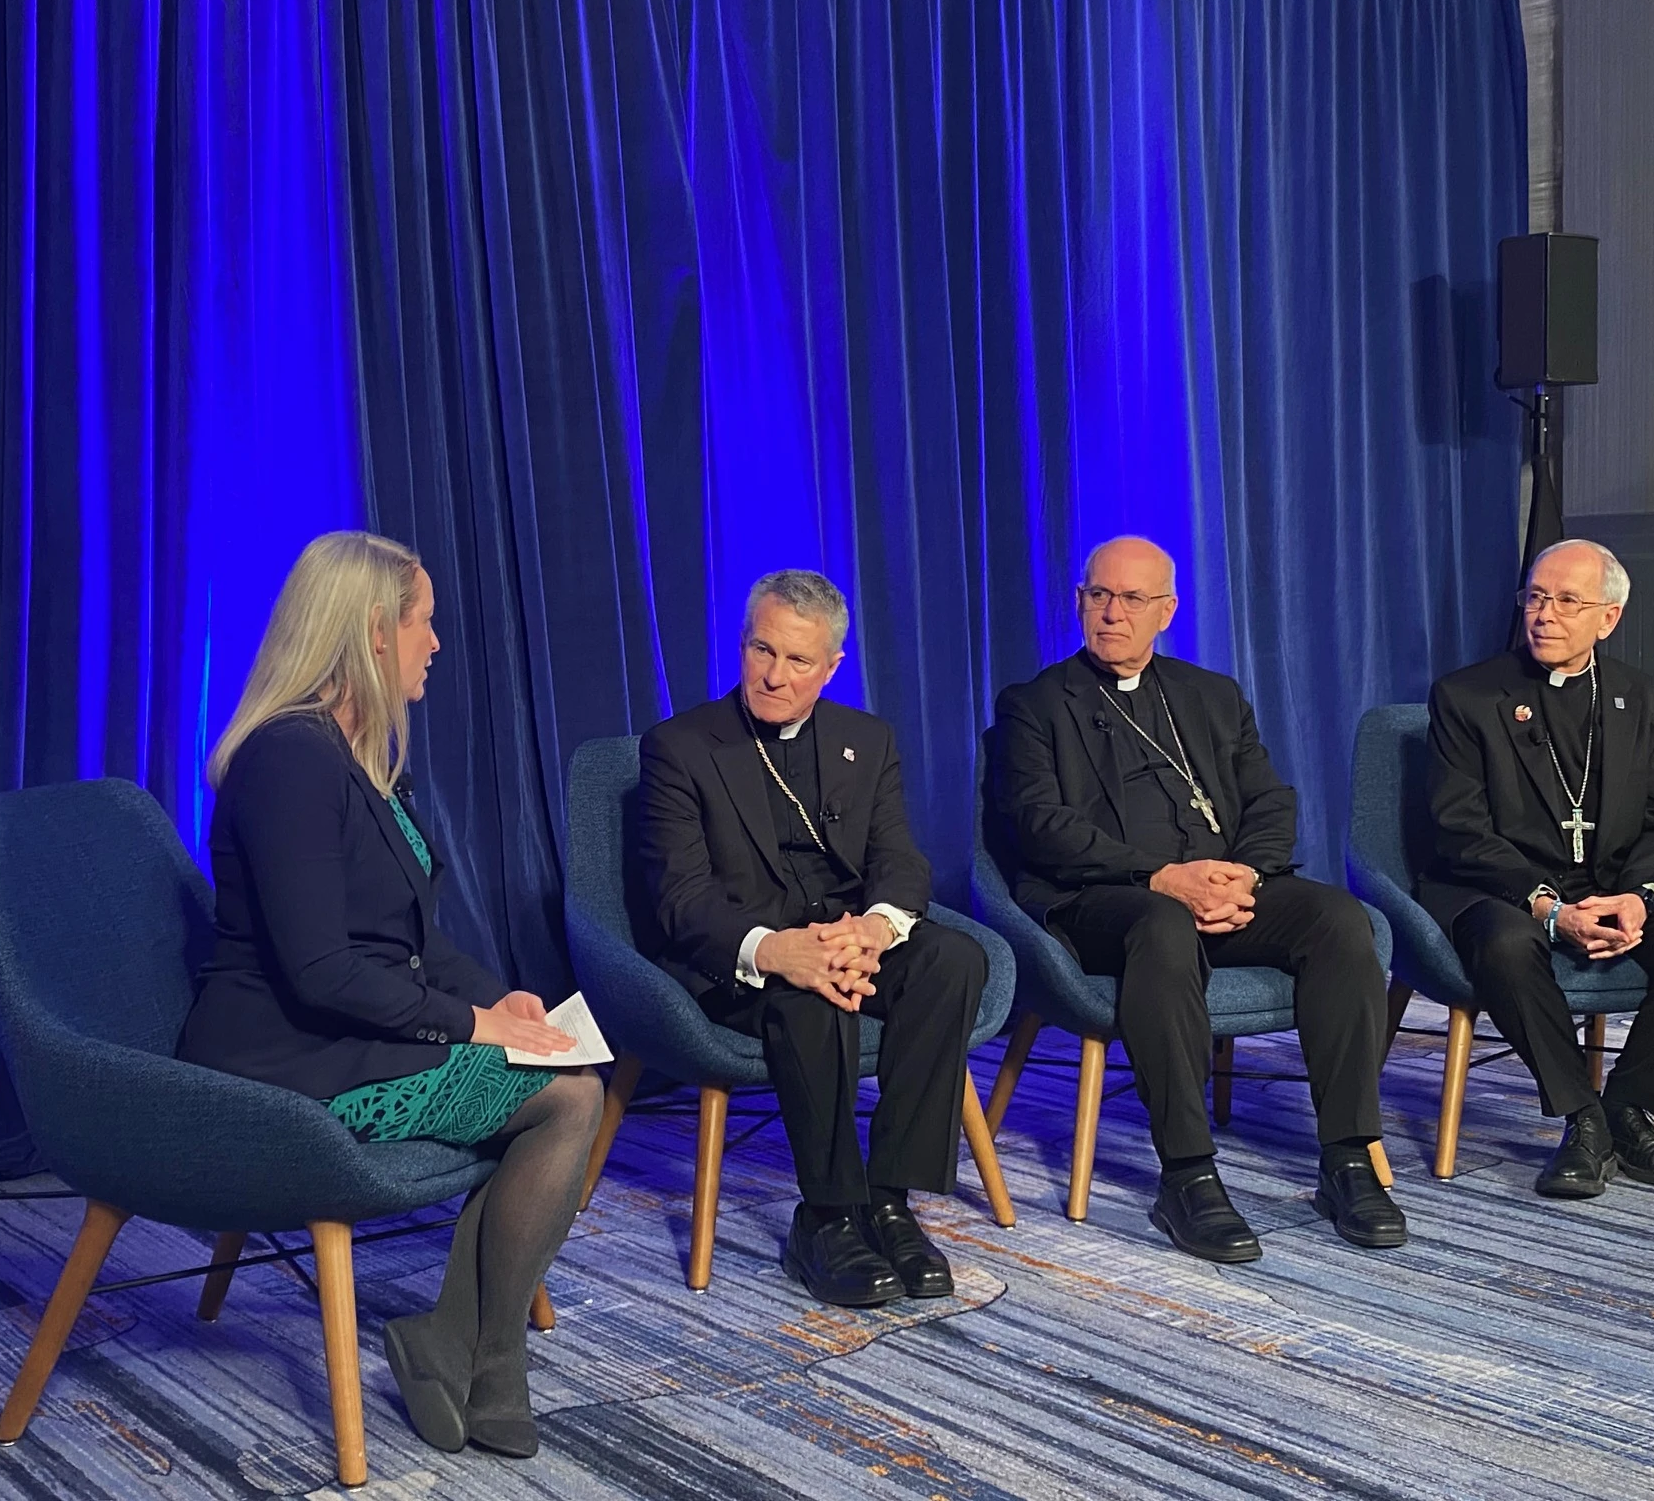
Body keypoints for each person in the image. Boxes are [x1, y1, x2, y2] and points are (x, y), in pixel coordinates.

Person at [177, 531, 601, 1460]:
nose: (437, 642)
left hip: (348, 1030)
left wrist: (504, 1005)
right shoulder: (288, 760)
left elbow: (412, 942)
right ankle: (483, 1354)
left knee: (558, 1071)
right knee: (568, 1098)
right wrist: (472, 1026)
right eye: (425, 622)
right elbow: (320, 971)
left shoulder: (356, 755)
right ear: (374, 632)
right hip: (283, 1056)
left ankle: (472, 1352)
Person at [992, 536, 1405, 1262]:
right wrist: (1164, 877)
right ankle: (1186, 1176)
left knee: (1339, 919)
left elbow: (1270, 801)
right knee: (1161, 922)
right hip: (1105, 903)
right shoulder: (1035, 705)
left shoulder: (1212, 695)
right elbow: (1041, 826)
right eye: (1097, 595)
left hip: (1221, 891)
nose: (1110, 613)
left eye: (1130, 600)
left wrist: (1244, 874)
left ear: (1167, 612)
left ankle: (1347, 1158)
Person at [636, 571, 985, 1308]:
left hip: (844, 940)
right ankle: (825, 1217)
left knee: (953, 960)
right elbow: (678, 898)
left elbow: (898, 857)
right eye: (762, 649)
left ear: (831, 668)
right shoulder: (680, 746)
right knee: (809, 1000)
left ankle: (889, 1200)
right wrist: (773, 948)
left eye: (798, 661)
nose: (773, 674)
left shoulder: (868, 738)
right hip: (746, 958)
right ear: (743, 644)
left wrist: (873, 929)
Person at [1420, 538, 1654, 1199]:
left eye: (1568, 601)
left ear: (1608, 619)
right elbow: (1460, 829)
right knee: (1507, 944)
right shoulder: (1466, 697)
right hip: (1502, 889)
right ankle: (1581, 1116)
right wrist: (1546, 906)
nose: (1545, 615)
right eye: (1536, 597)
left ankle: (1624, 1110)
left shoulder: (1646, 701)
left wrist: (1639, 901)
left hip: (1616, 885)